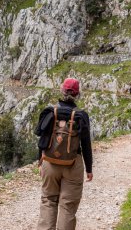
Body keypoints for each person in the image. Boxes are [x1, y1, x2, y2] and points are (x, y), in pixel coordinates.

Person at [35, 78, 93, 230]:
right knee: (67, 206)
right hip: (73, 164)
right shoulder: (81, 115)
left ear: (61, 91)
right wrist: (89, 169)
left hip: (50, 163)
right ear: (77, 94)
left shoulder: (49, 112)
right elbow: (86, 144)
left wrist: (40, 161)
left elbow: (42, 138)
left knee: (48, 200)